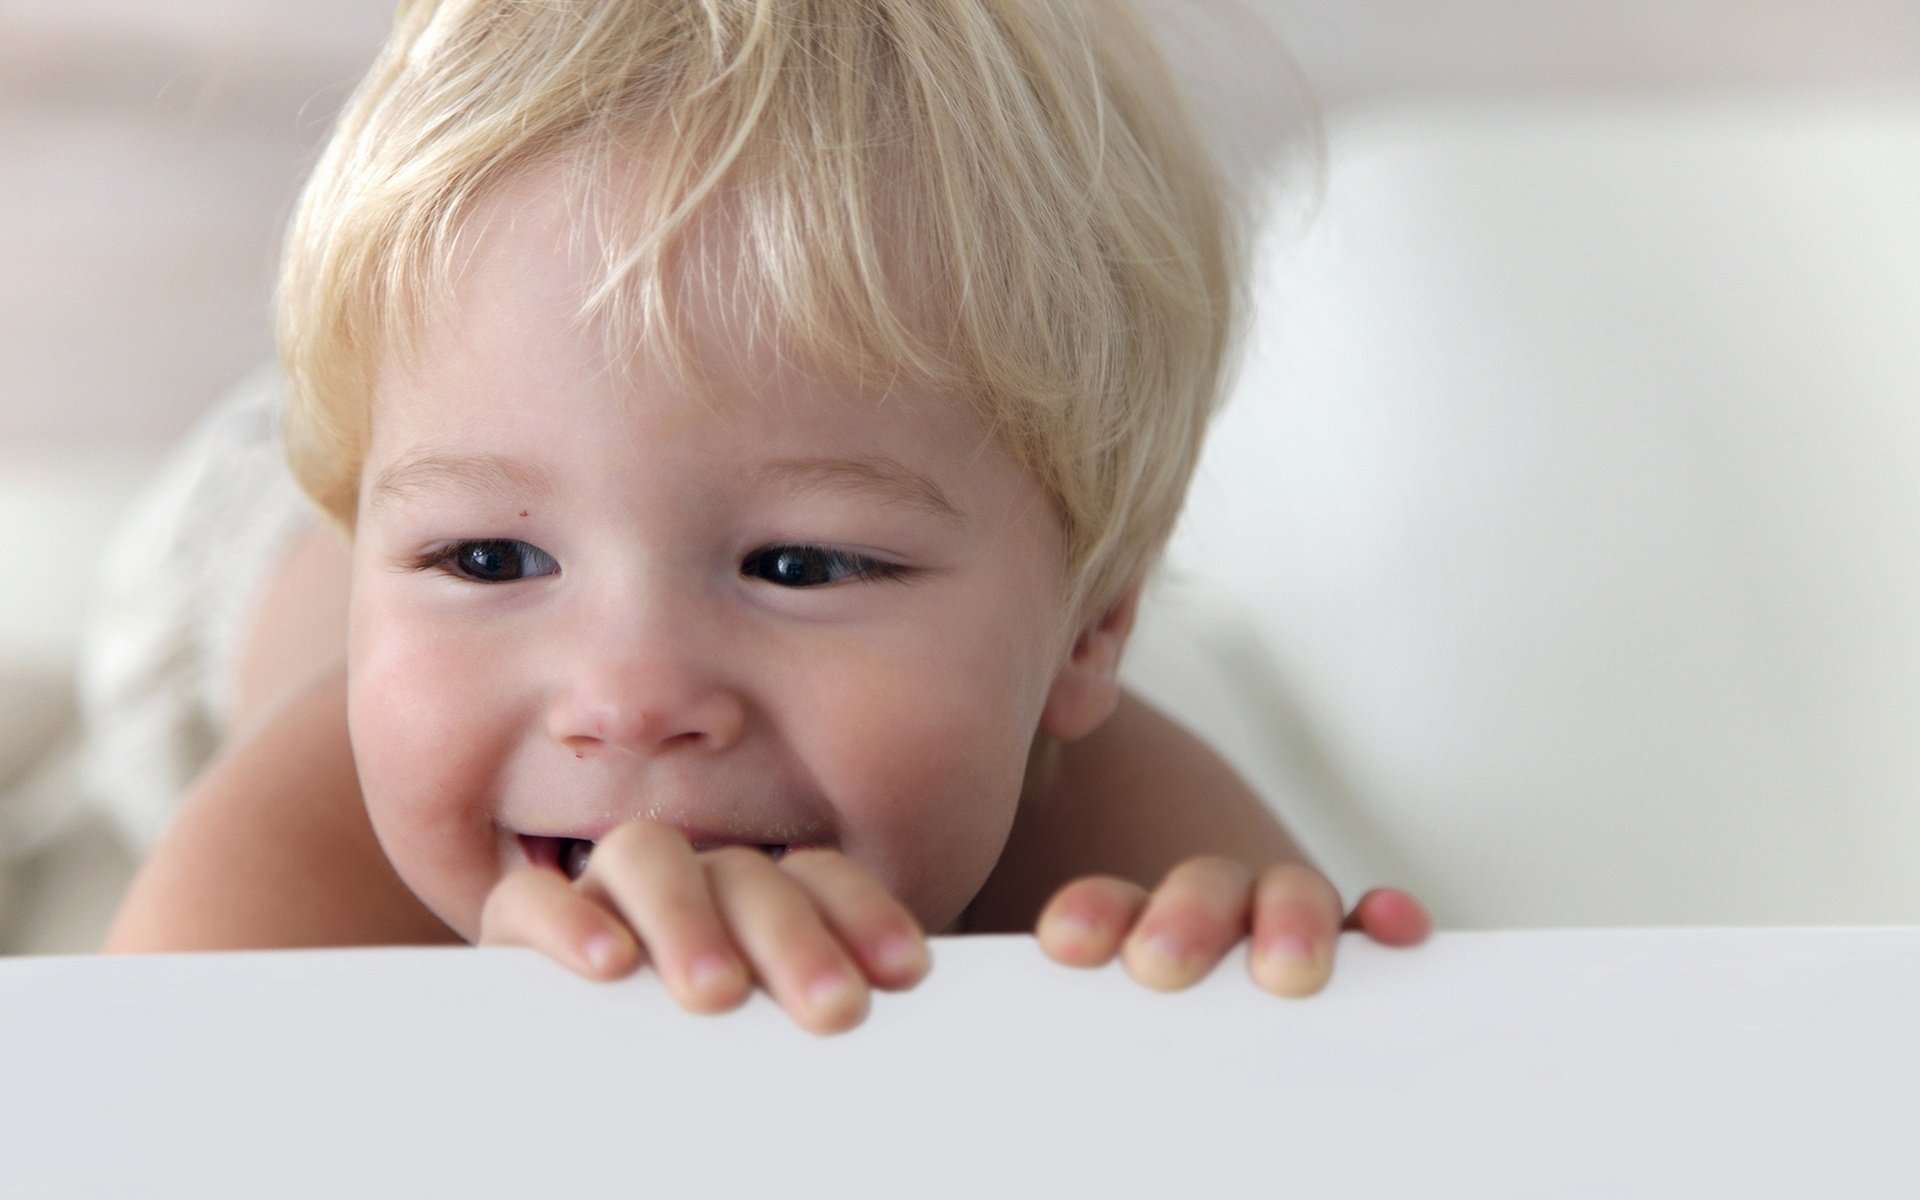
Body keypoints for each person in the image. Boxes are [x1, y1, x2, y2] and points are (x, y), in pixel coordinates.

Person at [101, 0, 1426, 1032]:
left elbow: (1376, 1103)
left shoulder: (1114, 838)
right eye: (490, 561)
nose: (630, 698)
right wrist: (503, 1051)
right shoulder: (289, 869)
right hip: (248, 548)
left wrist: (1261, 1001)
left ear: (1095, 630)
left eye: (799, 565)